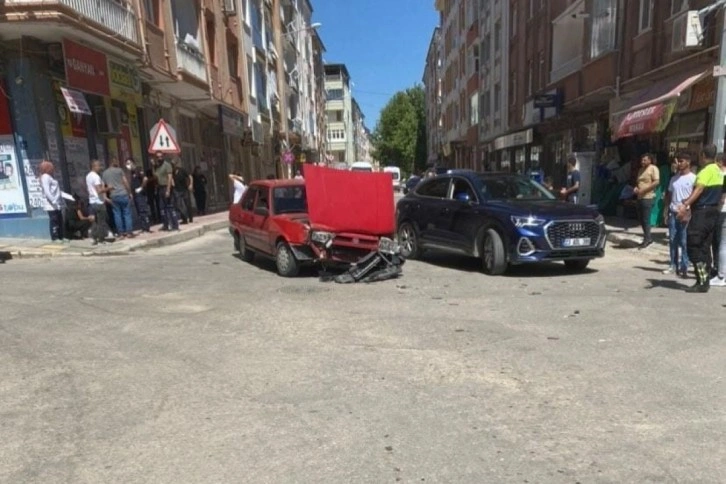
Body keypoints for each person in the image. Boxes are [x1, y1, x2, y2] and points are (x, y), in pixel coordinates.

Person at [678, 144, 723, 293]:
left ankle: (702, 279)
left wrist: (686, 205)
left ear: (703, 155)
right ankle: (705, 281)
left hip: (702, 214)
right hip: (713, 213)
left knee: (693, 246)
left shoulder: (705, 171)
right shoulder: (718, 170)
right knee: (704, 247)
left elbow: (699, 188)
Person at [662, 152, 695, 277]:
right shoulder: (674, 178)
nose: (679, 164)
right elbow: (669, 194)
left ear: (688, 162)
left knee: (684, 241)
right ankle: (673, 265)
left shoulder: (693, 178)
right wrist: (666, 210)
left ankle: (684, 266)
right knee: (672, 240)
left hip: (686, 214)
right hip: (673, 212)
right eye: (678, 161)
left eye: (681, 161)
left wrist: (688, 209)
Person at [633, 153, 660, 249]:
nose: (642, 162)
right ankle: (647, 237)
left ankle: (647, 239)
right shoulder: (641, 170)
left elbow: (656, 181)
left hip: (648, 197)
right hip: (639, 197)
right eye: (642, 160)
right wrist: (636, 188)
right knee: (641, 219)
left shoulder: (653, 168)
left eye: (645, 160)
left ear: (650, 160)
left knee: (646, 219)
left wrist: (644, 190)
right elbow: (639, 182)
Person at [103, 157, 134, 238]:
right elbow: (125, 182)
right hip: (123, 194)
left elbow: (103, 186)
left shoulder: (105, 173)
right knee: (126, 213)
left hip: (113, 195)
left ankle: (120, 233)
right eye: (116, 161)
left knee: (117, 214)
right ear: (113, 162)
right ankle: (129, 232)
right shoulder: (119, 170)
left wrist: (105, 197)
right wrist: (130, 192)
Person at [86, 160, 113, 245]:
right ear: (93, 166)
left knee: (95, 222)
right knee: (101, 221)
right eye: (98, 166)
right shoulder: (96, 177)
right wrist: (109, 188)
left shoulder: (88, 176)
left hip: (92, 201)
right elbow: (99, 190)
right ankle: (101, 239)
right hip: (99, 202)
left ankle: (94, 238)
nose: (100, 167)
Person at [709, 154, 726, 287]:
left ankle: (720, 275)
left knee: (720, 243)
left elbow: (722, 197)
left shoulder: (723, 175)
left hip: (722, 211)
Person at [38, 160, 65, 242]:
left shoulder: (50, 176)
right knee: (54, 220)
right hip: (51, 204)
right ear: (47, 168)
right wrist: (53, 200)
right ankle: (55, 237)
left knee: (59, 219)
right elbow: (47, 191)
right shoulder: (45, 177)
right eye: (51, 167)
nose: (53, 168)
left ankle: (61, 236)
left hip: (57, 202)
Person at [153, 152, 178, 231]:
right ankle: (165, 225)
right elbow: (155, 176)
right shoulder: (157, 166)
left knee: (170, 207)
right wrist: (153, 165)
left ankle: (175, 225)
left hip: (166, 187)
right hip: (160, 188)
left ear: (163, 156)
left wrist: (168, 190)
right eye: (157, 157)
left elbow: (170, 178)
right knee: (162, 208)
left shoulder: (167, 165)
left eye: (160, 156)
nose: (159, 158)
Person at [127, 158, 151, 233]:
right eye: (127, 164)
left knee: (143, 210)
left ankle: (147, 227)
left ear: (133, 163)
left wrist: (141, 187)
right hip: (135, 195)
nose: (128, 165)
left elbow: (145, 179)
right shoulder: (131, 172)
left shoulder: (138, 169)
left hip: (140, 194)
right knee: (139, 211)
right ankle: (143, 227)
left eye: (129, 163)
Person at [172, 159, 193, 224]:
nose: (173, 166)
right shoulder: (172, 172)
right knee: (179, 205)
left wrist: (191, 184)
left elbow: (190, 176)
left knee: (187, 204)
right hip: (177, 190)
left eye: (174, 164)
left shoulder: (182, 170)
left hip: (184, 189)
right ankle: (184, 219)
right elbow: (171, 178)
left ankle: (190, 217)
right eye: (172, 165)